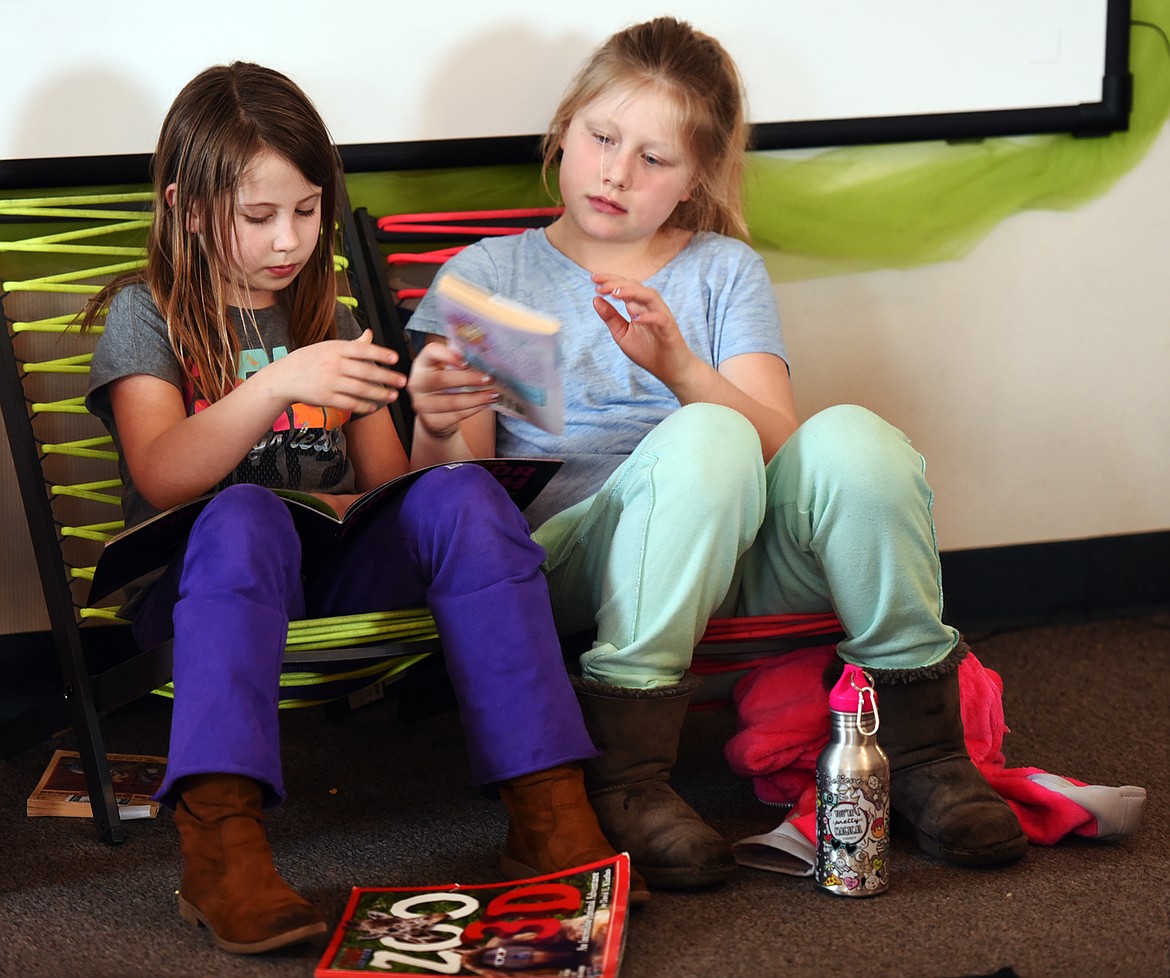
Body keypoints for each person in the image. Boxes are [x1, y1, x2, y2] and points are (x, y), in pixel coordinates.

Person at [404, 17, 1029, 891]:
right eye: (602, 138)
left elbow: (785, 445)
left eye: (655, 159)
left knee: (854, 436)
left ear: (698, 177)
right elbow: (458, 507)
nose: (618, 173)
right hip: (572, 563)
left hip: (729, 545)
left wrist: (679, 367)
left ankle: (922, 752)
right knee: (703, 436)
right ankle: (628, 776)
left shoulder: (720, 270)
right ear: (563, 130)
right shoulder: (486, 278)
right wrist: (434, 419)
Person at [82, 62, 640, 956]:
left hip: (329, 579)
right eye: (258, 216)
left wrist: (441, 428)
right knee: (244, 514)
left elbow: (389, 493)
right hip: (203, 590)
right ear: (188, 206)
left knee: (460, 494)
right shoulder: (148, 316)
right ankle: (222, 848)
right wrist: (279, 384)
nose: (289, 240)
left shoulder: (328, 315)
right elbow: (163, 475)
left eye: (307, 210)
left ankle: (548, 812)